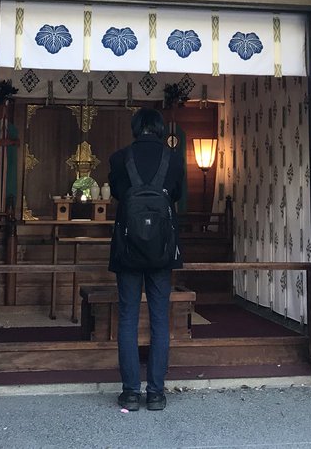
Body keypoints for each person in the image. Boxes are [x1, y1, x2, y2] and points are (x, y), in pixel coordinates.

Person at [108, 108, 184, 411]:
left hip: (127, 249)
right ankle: (155, 394)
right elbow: (177, 196)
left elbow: (116, 194)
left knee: (127, 317)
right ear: (161, 129)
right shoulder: (175, 160)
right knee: (159, 319)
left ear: (135, 128)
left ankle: (130, 393)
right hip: (162, 252)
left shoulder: (118, 158)